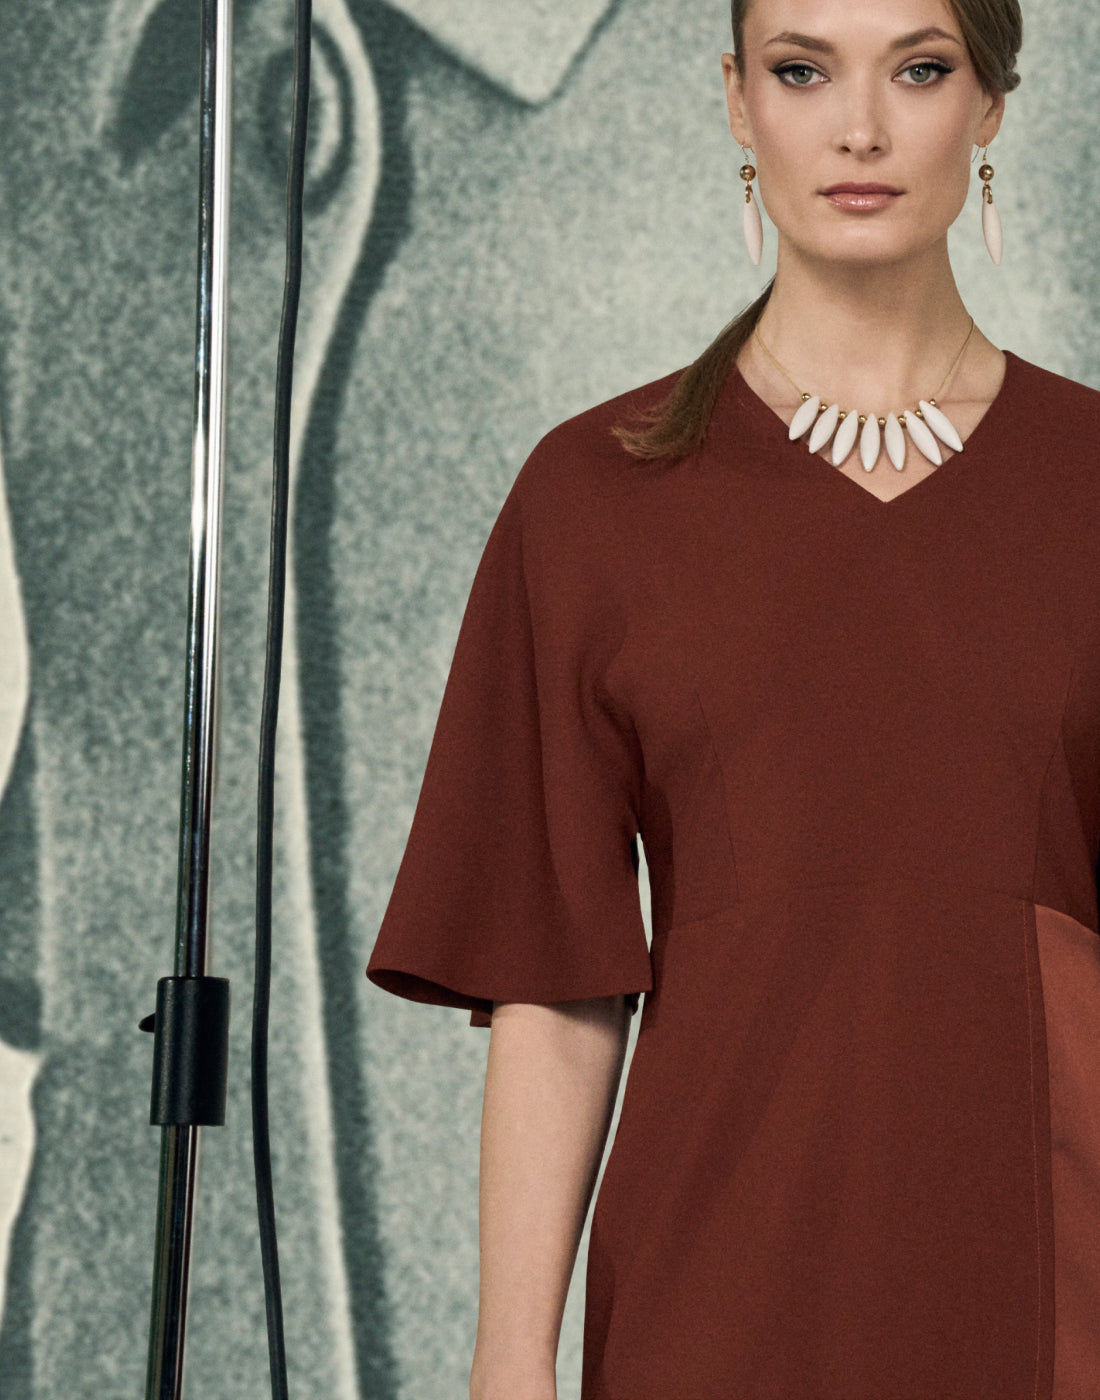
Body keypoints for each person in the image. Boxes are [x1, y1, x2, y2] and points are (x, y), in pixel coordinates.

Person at [366, 0, 1100, 1395]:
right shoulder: (594, 498)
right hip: (711, 1299)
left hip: (1048, 1302)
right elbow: (555, 982)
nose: (860, 129)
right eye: (802, 70)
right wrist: (509, 1361)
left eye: (921, 69)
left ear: (991, 103)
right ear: (736, 98)